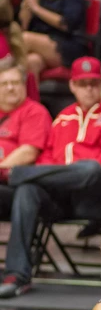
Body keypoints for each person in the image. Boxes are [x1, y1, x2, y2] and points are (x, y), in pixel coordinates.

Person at [0, 56, 101, 299]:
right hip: (63, 199)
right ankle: (17, 275)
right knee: (27, 190)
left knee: (89, 169)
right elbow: (47, 162)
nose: (88, 89)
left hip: (100, 198)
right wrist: (57, 176)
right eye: (83, 84)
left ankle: (14, 174)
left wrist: (71, 171)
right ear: (72, 85)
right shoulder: (63, 118)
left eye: (94, 83)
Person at [0, 61, 51, 219]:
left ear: (24, 85)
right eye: (4, 83)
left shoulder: (35, 112)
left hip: (16, 185)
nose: (10, 88)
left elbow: (28, 153)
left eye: (15, 83)